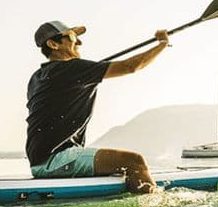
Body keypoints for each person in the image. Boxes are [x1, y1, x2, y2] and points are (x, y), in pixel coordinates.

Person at [26, 20, 170, 193]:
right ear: (53, 44)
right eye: (72, 36)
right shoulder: (71, 69)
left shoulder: (37, 77)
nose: (78, 42)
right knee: (134, 162)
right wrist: (162, 43)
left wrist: (90, 72)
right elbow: (129, 67)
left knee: (120, 168)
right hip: (56, 159)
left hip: (38, 161)